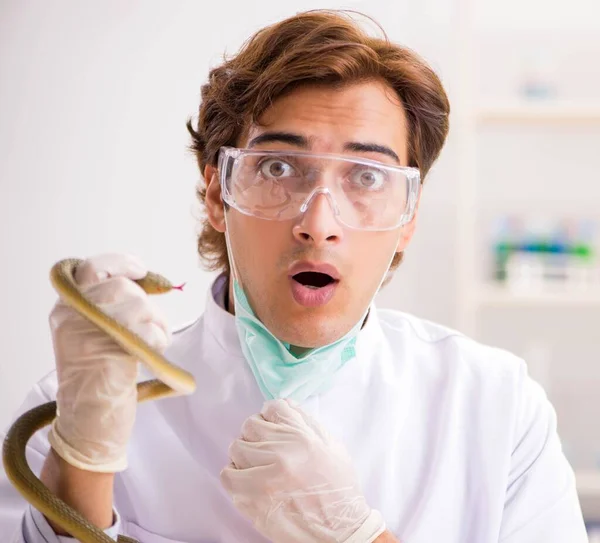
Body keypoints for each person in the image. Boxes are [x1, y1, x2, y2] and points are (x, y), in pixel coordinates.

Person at [0, 9, 588, 543]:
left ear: (407, 218)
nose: (318, 223)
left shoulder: (495, 407)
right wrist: (82, 458)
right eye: (279, 167)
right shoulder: (75, 403)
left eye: (365, 178)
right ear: (217, 193)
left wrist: (354, 536)